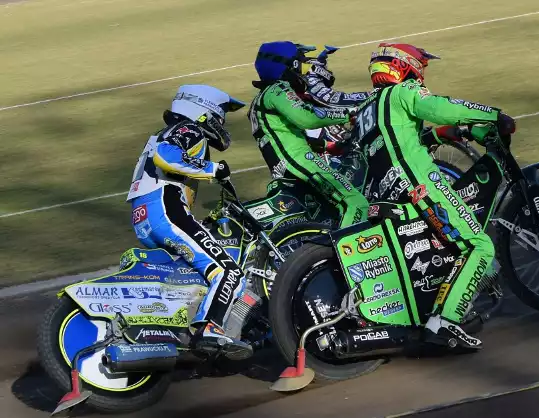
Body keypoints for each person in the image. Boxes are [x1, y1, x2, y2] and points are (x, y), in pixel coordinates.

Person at [356, 43, 516, 349]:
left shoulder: (368, 108)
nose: (422, 74)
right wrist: (494, 115)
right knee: (479, 245)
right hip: (420, 187)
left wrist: (442, 134)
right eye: (420, 66)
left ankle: (434, 307)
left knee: (444, 245)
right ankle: (444, 323)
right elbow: (441, 107)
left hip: (386, 194)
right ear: (403, 66)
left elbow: (399, 141)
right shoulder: (403, 92)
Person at [126, 84, 252, 356]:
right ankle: (211, 329)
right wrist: (212, 169)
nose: (222, 122)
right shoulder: (189, 130)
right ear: (203, 110)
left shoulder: (164, 133)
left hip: (144, 216)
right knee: (228, 271)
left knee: (188, 275)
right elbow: (166, 157)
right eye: (220, 114)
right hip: (165, 210)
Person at [248, 41, 369, 227]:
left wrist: (330, 147)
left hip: (285, 166)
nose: (303, 71)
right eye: (300, 63)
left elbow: (284, 136)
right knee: (356, 202)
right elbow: (307, 118)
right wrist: (350, 112)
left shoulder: (261, 99)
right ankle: (351, 254)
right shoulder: (277, 90)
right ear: (290, 65)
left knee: (327, 212)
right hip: (300, 161)